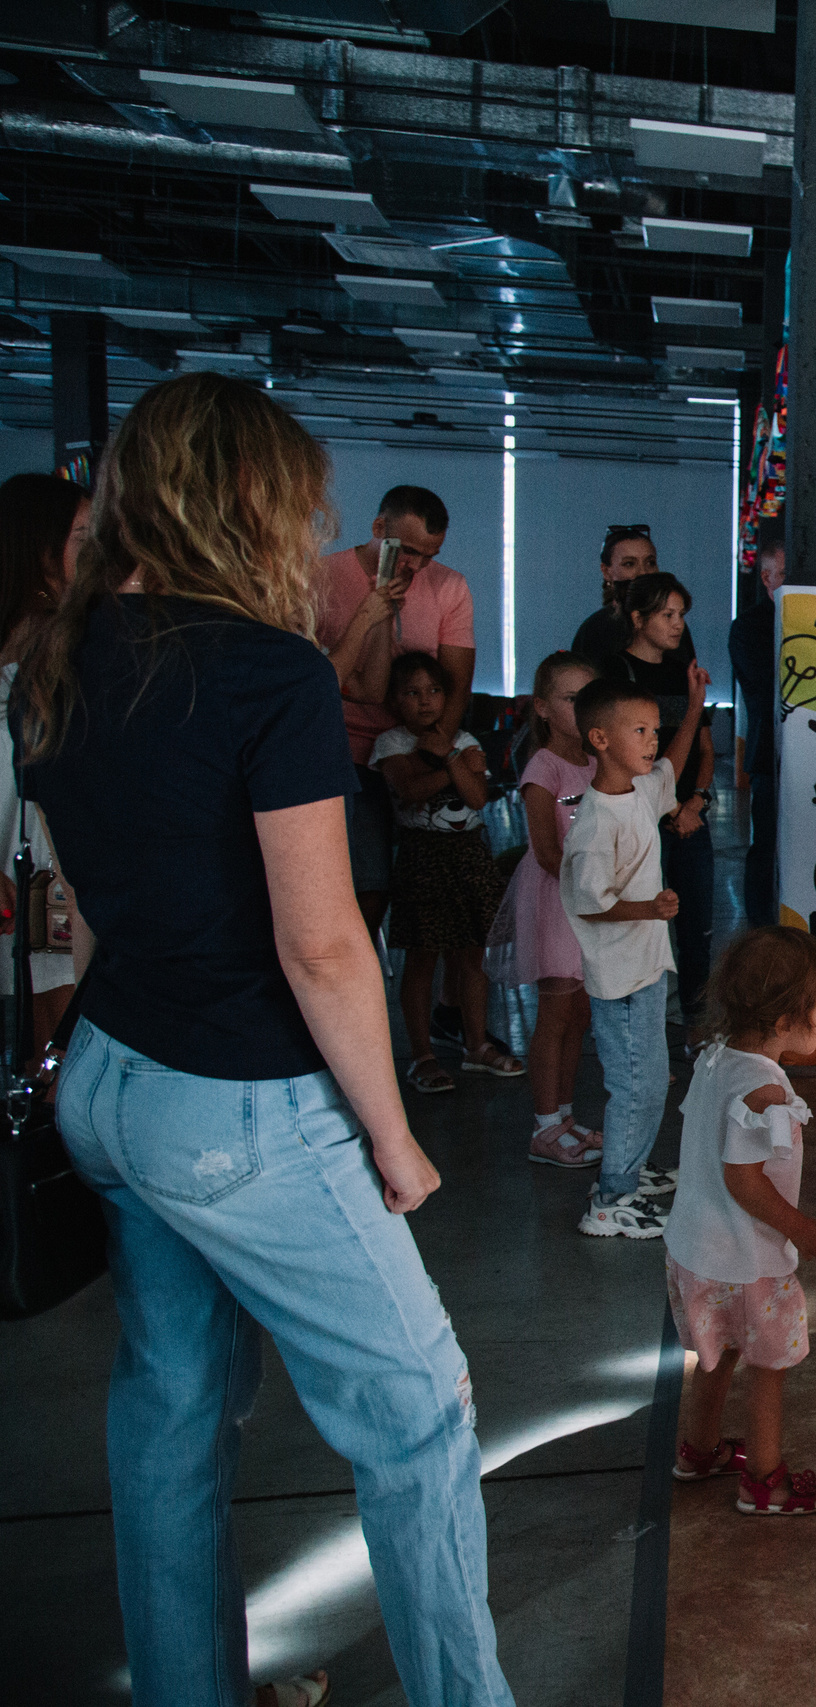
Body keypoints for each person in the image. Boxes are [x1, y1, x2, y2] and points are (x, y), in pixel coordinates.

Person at [20, 371, 513, 1705]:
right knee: (419, 1411)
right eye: (300, 506)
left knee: (171, 1415)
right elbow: (323, 943)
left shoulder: (59, 658)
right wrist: (395, 1137)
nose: (316, 535)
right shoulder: (263, 670)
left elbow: (93, 902)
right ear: (237, 501)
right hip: (240, 1104)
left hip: (114, 1076)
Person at [663, 926, 816, 1517]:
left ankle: (699, 1451)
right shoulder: (764, 1089)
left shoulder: (716, 1057)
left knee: (715, 1354)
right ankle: (765, 1482)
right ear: (786, 1019)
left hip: (695, 1249)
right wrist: (801, 1228)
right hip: (746, 1262)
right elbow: (745, 1180)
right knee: (769, 1368)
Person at [564, 668, 707, 1240]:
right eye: (639, 730)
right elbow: (589, 902)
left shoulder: (642, 791)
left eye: (653, 729)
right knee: (635, 1086)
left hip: (645, 968)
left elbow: (671, 764)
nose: (652, 740)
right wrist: (650, 908)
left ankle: (630, 1167)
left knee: (649, 1081)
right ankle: (610, 1200)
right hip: (619, 978)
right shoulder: (596, 821)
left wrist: (693, 707)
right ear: (600, 739)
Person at [315, 484, 476, 935]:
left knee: (421, 886)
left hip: (414, 749)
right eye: (407, 551)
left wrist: (431, 753)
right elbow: (316, 675)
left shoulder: (449, 585)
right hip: (346, 749)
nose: (416, 566)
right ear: (378, 528)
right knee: (364, 882)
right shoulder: (320, 577)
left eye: (429, 555)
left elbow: (456, 684)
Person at [373, 651, 518, 1092]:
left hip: (469, 855)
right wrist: (452, 765)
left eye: (434, 691)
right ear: (394, 700)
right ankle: (422, 1055)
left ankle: (476, 1046)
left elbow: (477, 797)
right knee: (422, 958)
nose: (425, 701)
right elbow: (409, 789)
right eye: (412, 693)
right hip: (422, 858)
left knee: (473, 955)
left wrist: (449, 756)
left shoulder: (464, 740)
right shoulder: (391, 744)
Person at [487, 650, 603, 1168]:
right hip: (558, 901)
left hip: (589, 902)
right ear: (542, 707)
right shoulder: (543, 767)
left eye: (588, 698)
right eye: (570, 698)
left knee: (579, 1015)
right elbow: (546, 851)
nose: (582, 709)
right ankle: (544, 1125)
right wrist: (595, 889)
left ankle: (565, 1116)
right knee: (555, 1015)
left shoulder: (598, 763)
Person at [599, 572, 717, 1025]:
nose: (678, 624)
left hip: (689, 816)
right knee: (645, 923)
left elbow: (705, 749)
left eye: (681, 615)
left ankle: (695, 1025)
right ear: (637, 618)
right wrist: (671, 807)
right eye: (667, 615)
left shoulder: (687, 674)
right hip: (642, 817)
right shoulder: (616, 673)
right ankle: (642, 1026)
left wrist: (695, 802)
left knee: (697, 926)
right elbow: (619, 757)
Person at [0, 472, 88, 1037]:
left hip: (48, 877)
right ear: (40, 549)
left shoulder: (76, 645)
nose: (98, 552)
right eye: (83, 537)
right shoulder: (56, 649)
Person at [730, 515, 786, 927]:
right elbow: (767, 687)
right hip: (770, 753)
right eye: (786, 576)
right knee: (766, 846)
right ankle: (760, 929)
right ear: (767, 578)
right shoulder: (749, 627)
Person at [573, 523, 694, 674]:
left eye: (650, 562)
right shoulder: (595, 629)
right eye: (629, 564)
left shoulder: (672, 623)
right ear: (606, 571)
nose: (643, 572)